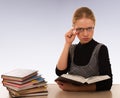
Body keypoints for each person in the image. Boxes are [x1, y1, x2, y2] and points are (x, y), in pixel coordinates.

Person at [55, 7, 113, 91]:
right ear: (74, 29)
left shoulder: (101, 49)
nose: (85, 34)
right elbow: (59, 72)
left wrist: (75, 88)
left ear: (94, 27)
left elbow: (107, 84)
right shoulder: (71, 49)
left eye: (89, 28)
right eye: (80, 29)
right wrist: (67, 43)